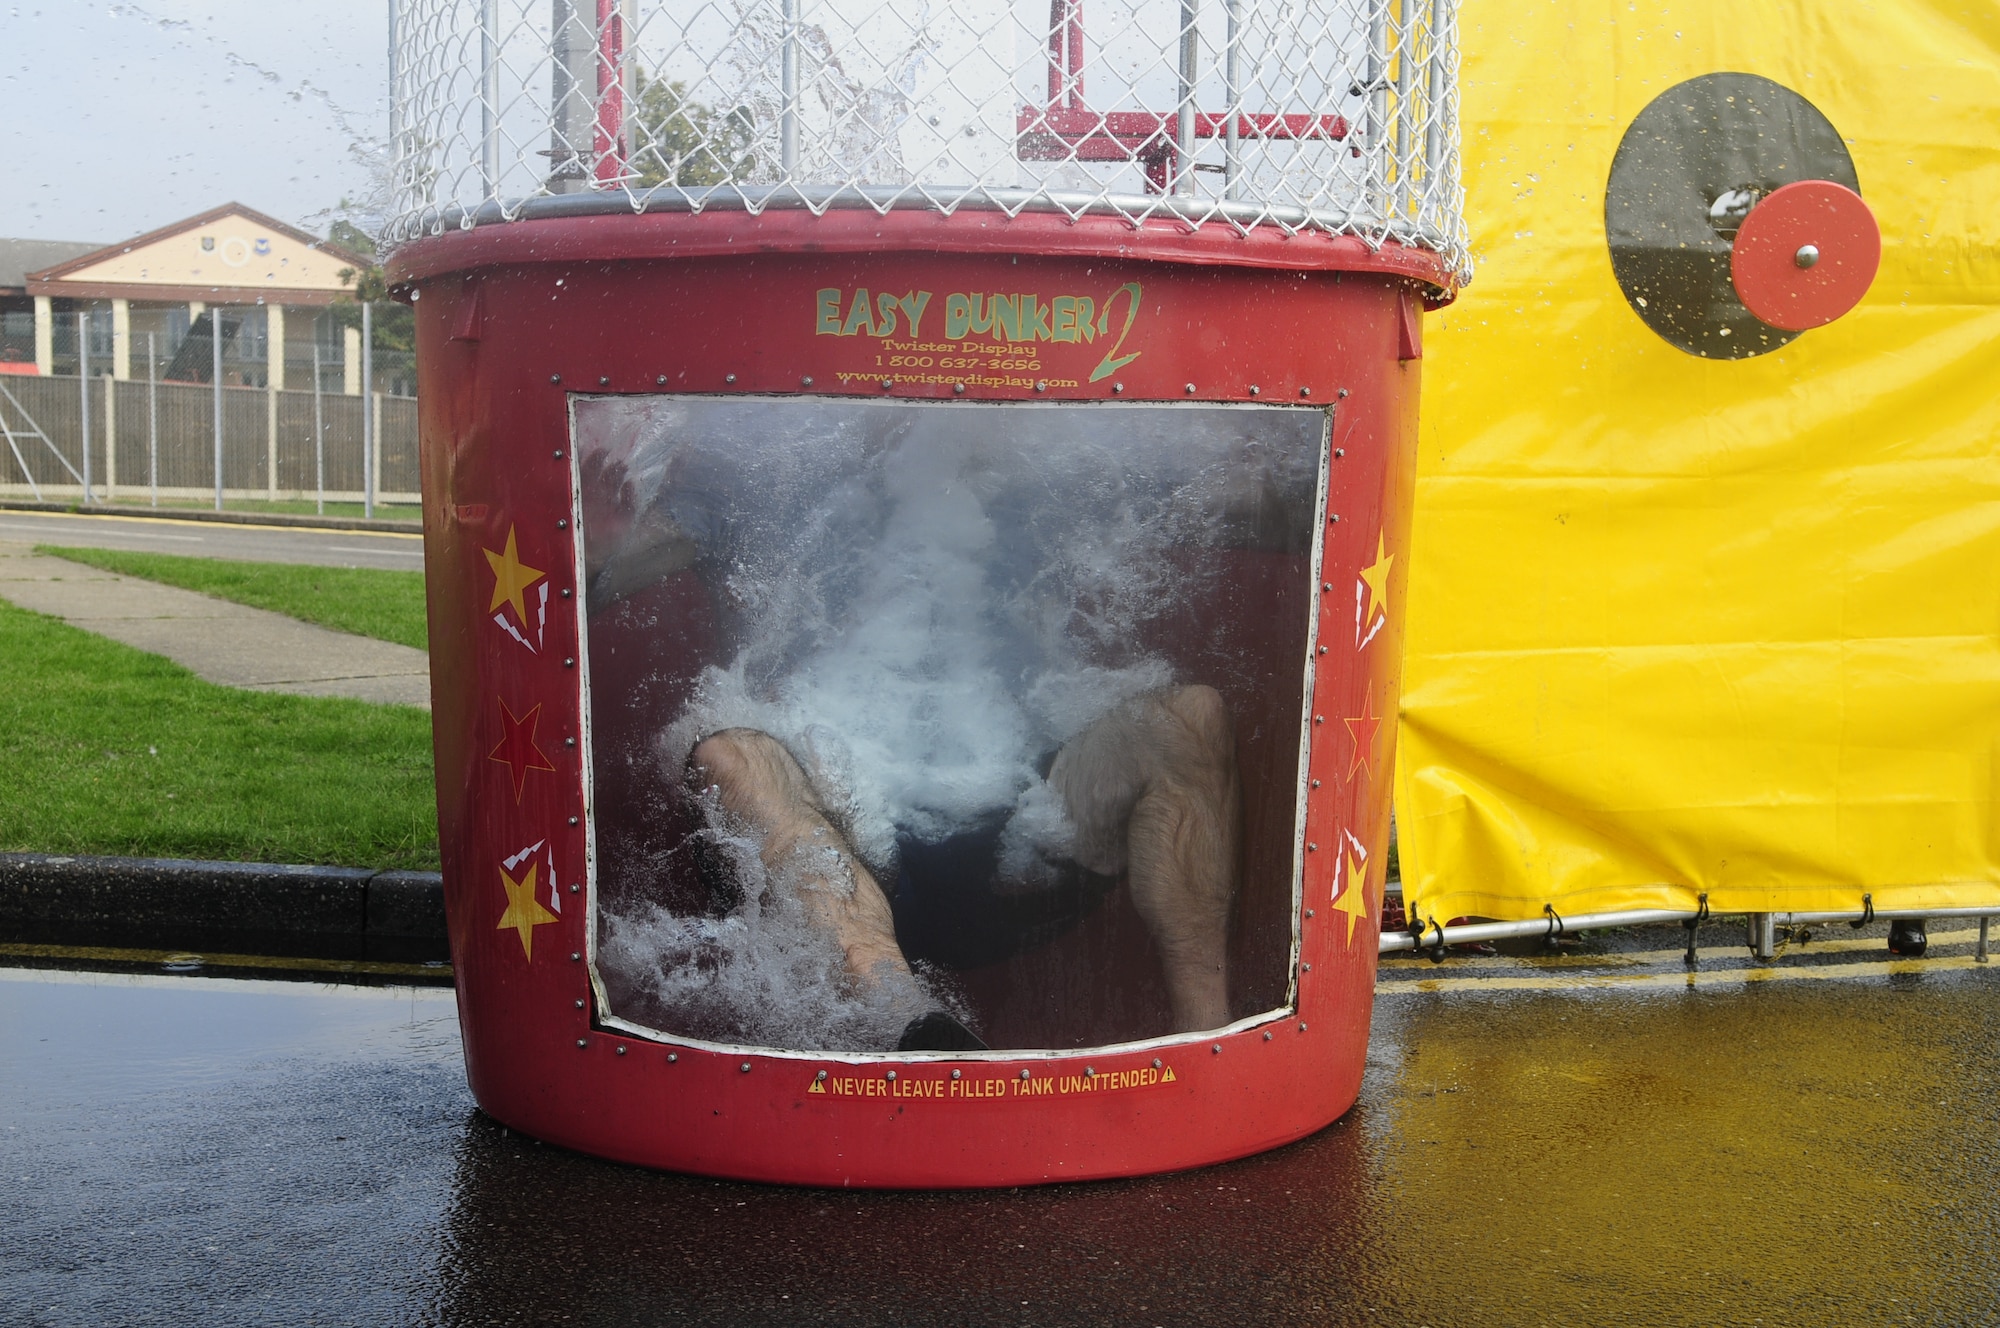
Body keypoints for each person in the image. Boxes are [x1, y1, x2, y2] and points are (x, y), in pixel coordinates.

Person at [574, 405, 1309, 1050]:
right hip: (836, 828)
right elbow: (612, 572)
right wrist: (598, 551)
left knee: (1190, 720)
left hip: (1022, 823)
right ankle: (913, 1029)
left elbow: (1239, 503)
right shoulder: (764, 464)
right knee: (731, 756)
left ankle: (1207, 1045)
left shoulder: (1044, 459)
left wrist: (1272, 471)